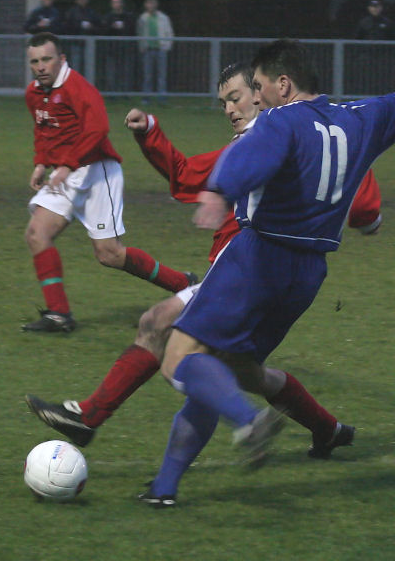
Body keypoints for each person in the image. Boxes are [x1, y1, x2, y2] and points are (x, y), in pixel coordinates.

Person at [25, 64, 352, 482]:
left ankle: (98, 423)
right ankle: (328, 429)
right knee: (245, 372)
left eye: (236, 97)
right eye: (223, 103)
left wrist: (361, 208)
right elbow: (187, 178)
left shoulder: (275, 142)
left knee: (160, 324)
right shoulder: (253, 144)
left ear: (260, 93)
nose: (230, 109)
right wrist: (150, 132)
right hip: (262, 276)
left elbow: (337, 183)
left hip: (247, 273)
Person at [135, 38, 395, 507]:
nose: (255, 97)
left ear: (282, 84)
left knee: (177, 354)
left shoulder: (280, 119)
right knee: (223, 368)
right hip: (308, 275)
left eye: (257, 87)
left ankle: (249, 421)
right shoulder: (361, 117)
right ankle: (163, 489)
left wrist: (221, 189)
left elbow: (254, 156)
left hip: (257, 256)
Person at [22, 32, 196, 333]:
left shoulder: (78, 87)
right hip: (65, 173)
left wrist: (64, 165)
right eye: (35, 61)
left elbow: (98, 128)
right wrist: (41, 162)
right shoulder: (33, 93)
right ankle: (59, 315)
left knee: (109, 254)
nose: (41, 66)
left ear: (61, 59)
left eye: (47, 59)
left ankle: (184, 284)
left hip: (97, 170)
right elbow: (44, 131)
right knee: (36, 234)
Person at [136, 0, 174, 103]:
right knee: (147, 75)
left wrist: (167, 46)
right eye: (148, 4)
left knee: (161, 75)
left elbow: (169, 32)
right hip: (148, 49)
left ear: (156, 5)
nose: (150, 6)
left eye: (152, 3)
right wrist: (141, 46)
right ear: (146, 5)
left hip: (161, 49)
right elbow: (140, 33)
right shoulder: (143, 18)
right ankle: (146, 98)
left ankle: (162, 98)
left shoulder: (163, 17)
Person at [102, 0, 137, 92]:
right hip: (112, 49)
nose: (117, 4)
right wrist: (111, 27)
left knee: (125, 72)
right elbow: (103, 31)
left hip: (125, 48)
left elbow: (132, 30)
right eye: (114, 2)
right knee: (112, 72)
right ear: (111, 5)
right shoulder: (108, 17)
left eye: (118, 2)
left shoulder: (128, 16)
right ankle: (112, 92)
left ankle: (124, 92)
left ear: (122, 4)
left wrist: (124, 27)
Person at [64, 0, 102, 71]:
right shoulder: (72, 12)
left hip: (89, 43)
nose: (82, 1)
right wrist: (78, 26)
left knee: (89, 65)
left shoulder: (92, 12)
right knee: (76, 65)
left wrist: (91, 27)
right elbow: (67, 26)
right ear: (77, 0)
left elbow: (99, 27)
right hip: (76, 42)